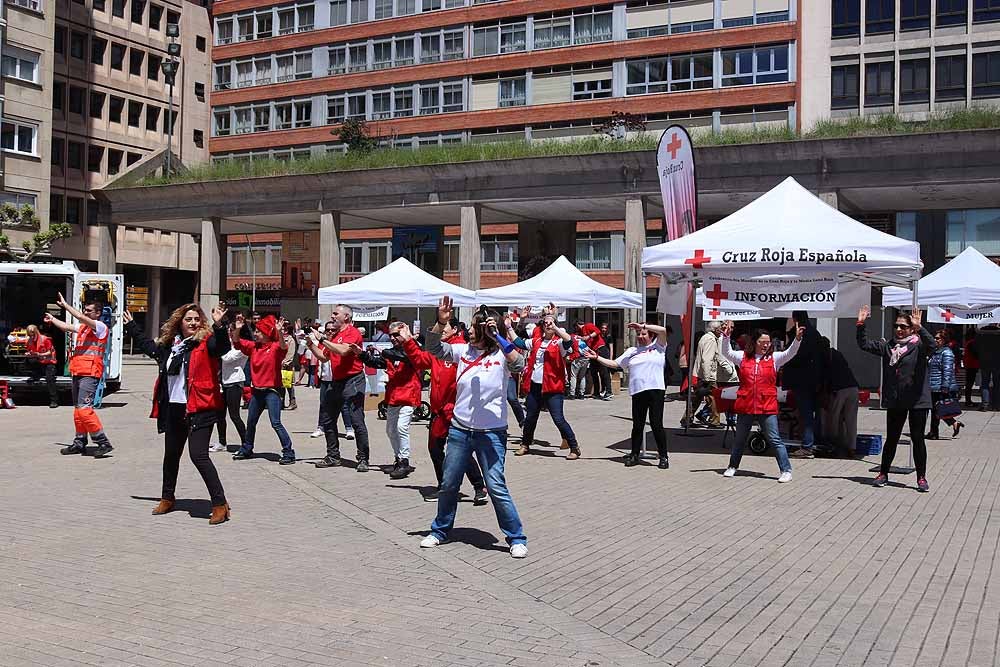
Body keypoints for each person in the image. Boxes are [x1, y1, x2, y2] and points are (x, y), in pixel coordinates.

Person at [417, 297, 528, 558]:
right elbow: (432, 347)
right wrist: (441, 321)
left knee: (496, 485)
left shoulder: (502, 353)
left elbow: (519, 364)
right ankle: (440, 530)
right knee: (449, 482)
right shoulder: (462, 351)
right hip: (460, 429)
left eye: (477, 326)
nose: (470, 329)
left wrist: (498, 335)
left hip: (491, 433)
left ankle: (516, 537)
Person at [123, 304, 232, 524]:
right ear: (179, 322)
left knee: (198, 456)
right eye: (188, 319)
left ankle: (220, 504)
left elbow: (222, 347)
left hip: (200, 407)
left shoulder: (205, 343)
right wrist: (131, 326)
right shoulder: (170, 346)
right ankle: (167, 498)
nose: (192, 323)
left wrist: (219, 325)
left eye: (196, 319)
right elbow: (148, 347)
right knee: (171, 456)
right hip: (174, 408)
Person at [403, 317, 488, 504]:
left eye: (444, 326)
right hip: (438, 411)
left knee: (459, 451)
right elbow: (419, 359)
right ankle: (445, 486)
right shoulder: (438, 350)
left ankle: (478, 486)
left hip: (456, 410)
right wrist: (408, 341)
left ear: (455, 329)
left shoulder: (461, 349)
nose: (440, 330)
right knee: (435, 448)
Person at [857, 305, 935, 492]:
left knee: (917, 438)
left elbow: (933, 346)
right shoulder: (888, 346)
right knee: (892, 438)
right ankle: (883, 473)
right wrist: (861, 324)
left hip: (917, 400)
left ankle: (921, 478)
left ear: (910, 328)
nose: (899, 330)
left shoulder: (919, 346)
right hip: (896, 399)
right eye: (896, 326)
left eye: (903, 326)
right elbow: (864, 344)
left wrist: (919, 327)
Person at [719, 326, 803, 483]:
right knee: (740, 439)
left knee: (774, 438)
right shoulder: (742, 357)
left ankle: (786, 470)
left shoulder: (774, 358)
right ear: (755, 342)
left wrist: (797, 340)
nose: (766, 345)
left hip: (767, 405)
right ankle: (732, 466)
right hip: (746, 405)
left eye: (768, 342)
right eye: (762, 342)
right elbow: (726, 352)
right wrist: (725, 337)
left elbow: (790, 353)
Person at [586, 322, 670, 469]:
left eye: (644, 334)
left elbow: (662, 330)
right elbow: (614, 363)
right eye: (638, 334)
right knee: (637, 425)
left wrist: (643, 325)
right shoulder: (632, 351)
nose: (640, 336)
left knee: (656, 424)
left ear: (651, 336)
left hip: (655, 390)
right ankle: (635, 454)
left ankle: (663, 456)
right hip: (638, 391)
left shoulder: (658, 347)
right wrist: (597, 357)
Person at [44, 293, 113, 458]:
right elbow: (67, 327)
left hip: (90, 373)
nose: (86, 312)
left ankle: (103, 442)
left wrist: (66, 306)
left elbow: (80, 316)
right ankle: (79, 442)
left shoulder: (101, 327)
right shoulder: (83, 329)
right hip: (79, 371)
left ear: (97, 313)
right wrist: (53, 319)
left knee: (84, 410)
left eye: (90, 310)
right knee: (78, 410)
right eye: (86, 310)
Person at [310, 305, 370, 472]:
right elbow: (323, 357)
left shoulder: (353, 333)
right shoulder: (335, 335)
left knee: (356, 420)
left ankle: (363, 458)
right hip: (336, 382)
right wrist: (310, 344)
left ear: (347, 317)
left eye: (336, 313)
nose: (333, 316)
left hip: (353, 380)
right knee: (328, 419)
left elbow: (344, 351)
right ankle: (333, 455)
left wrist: (322, 340)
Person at [358, 321, 421, 479]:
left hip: (409, 395)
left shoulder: (413, 349)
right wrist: (361, 354)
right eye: (391, 335)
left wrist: (384, 352)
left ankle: (404, 461)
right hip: (394, 396)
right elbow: (378, 362)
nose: (393, 338)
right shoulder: (390, 352)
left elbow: (405, 358)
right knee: (390, 430)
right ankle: (398, 458)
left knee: (401, 428)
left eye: (396, 335)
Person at [231, 314, 296, 465]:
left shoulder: (274, 348)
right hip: (257, 391)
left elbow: (283, 347)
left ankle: (288, 452)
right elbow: (236, 342)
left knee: (275, 422)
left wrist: (279, 332)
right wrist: (238, 329)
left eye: (258, 331)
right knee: (251, 421)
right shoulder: (254, 347)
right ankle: (247, 448)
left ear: (267, 334)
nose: (255, 334)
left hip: (272, 391)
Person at [516, 308, 580, 460]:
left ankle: (574, 446)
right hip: (535, 386)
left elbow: (569, 341)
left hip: (553, 387)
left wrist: (555, 326)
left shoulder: (558, 343)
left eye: (550, 323)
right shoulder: (537, 340)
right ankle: (525, 444)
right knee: (530, 417)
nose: (547, 325)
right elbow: (518, 341)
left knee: (558, 418)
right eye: (545, 323)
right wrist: (510, 327)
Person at [782, 311, 825, 459]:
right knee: (813, 413)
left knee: (806, 413)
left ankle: (807, 446)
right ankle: (815, 442)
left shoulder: (802, 334)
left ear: (794, 318)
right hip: (814, 379)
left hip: (802, 380)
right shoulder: (815, 333)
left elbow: (793, 355)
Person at [214, 323, 248, 453]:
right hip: (222, 383)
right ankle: (222, 442)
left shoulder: (242, 347)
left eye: (232, 331)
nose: (230, 333)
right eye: (229, 330)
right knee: (219, 415)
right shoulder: (227, 344)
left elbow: (227, 358)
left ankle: (246, 443)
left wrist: (221, 348)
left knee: (234, 416)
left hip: (235, 383)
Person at [683, 321, 723, 428]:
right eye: (720, 329)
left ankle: (687, 418)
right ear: (714, 329)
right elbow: (707, 359)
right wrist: (707, 377)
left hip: (701, 373)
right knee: (715, 397)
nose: (721, 331)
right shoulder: (711, 340)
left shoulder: (705, 338)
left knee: (698, 397)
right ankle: (714, 421)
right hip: (707, 375)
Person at [824, 341, 860, 458]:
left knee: (833, 419)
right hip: (853, 387)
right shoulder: (837, 354)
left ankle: (835, 446)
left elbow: (825, 377)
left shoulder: (824, 356)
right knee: (851, 420)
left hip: (839, 389)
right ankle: (852, 448)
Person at [928, 329, 964, 440]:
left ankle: (934, 433)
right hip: (934, 385)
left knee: (937, 409)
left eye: (938, 338)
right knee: (936, 409)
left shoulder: (947, 352)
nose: (935, 340)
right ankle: (950, 425)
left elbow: (948, 371)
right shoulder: (936, 351)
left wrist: (945, 386)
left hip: (940, 387)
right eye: (935, 337)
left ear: (944, 340)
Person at [25, 324, 59, 408]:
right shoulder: (28, 341)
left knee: (50, 379)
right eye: (30, 335)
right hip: (39, 361)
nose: (32, 337)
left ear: (36, 332)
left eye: (33, 335)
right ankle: (35, 374)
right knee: (29, 360)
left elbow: (50, 353)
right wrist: (29, 354)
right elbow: (30, 351)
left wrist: (39, 354)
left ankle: (54, 400)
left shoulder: (45, 339)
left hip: (49, 362)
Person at [577, 320, 611, 400]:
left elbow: (597, 331)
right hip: (593, 352)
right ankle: (596, 392)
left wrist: (589, 336)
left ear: (578, 325)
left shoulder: (588, 325)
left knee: (604, 371)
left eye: (576, 327)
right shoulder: (581, 332)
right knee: (593, 372)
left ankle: (609, 391)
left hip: (601, 349)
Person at [977, 325, 1000, 411]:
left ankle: (985, 404)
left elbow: (975, 347)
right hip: (997, 362)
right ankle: (997, 405)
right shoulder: (998, 333)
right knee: (997, 383)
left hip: (984, 361)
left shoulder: (981, 333)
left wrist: (980, 356)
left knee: (985, 383)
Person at [280, 320, 298, 410]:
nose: (282, 329)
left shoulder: (290, 340)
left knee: (289, 385)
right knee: (281, 385)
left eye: (283, 328)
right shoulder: (279, 339)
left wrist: (285, 362)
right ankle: (281, 402)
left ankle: (292, 402)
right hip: (279, 366)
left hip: (287, 367)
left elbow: (291, 354)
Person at [962, 330, 979, 408]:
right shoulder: (972, 343)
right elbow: (975, 354)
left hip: (969, 364)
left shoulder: (968, 342)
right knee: (969, 383)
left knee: (969, 383)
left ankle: (968, 400)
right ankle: (968, 401)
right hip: (972, 365)